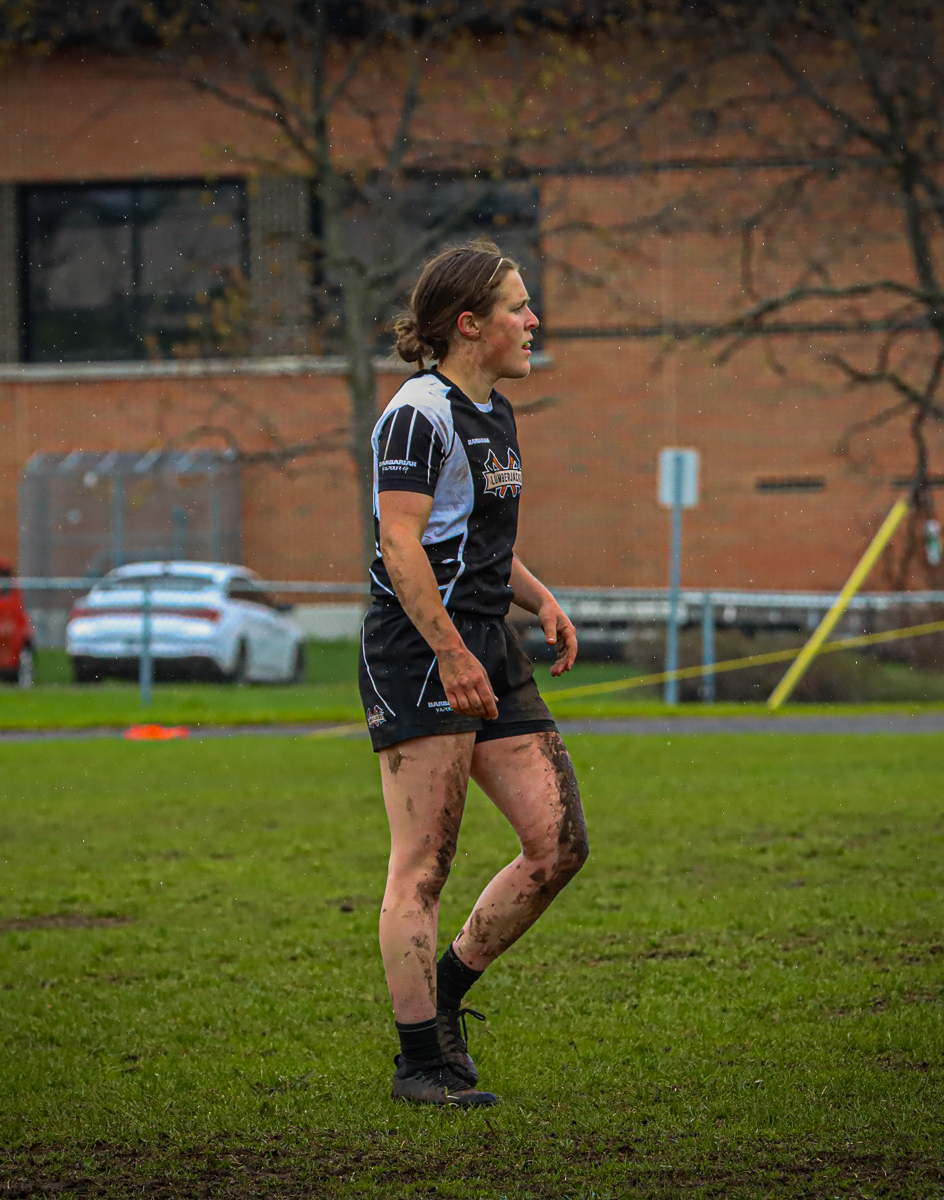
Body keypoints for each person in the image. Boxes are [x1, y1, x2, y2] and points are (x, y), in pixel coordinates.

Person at [360, 241, 588, 1107]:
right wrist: (451, 653)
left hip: (490, 641)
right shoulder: (418, 413)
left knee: (558, 844)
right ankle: (420, 1061)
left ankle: (445, 995)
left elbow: (475, 530)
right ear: (469, 325)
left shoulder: (494, 412)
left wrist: (539, 599)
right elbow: (401, 541)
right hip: (423, 653)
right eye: (519, 309)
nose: (533, 323)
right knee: (424, 864)